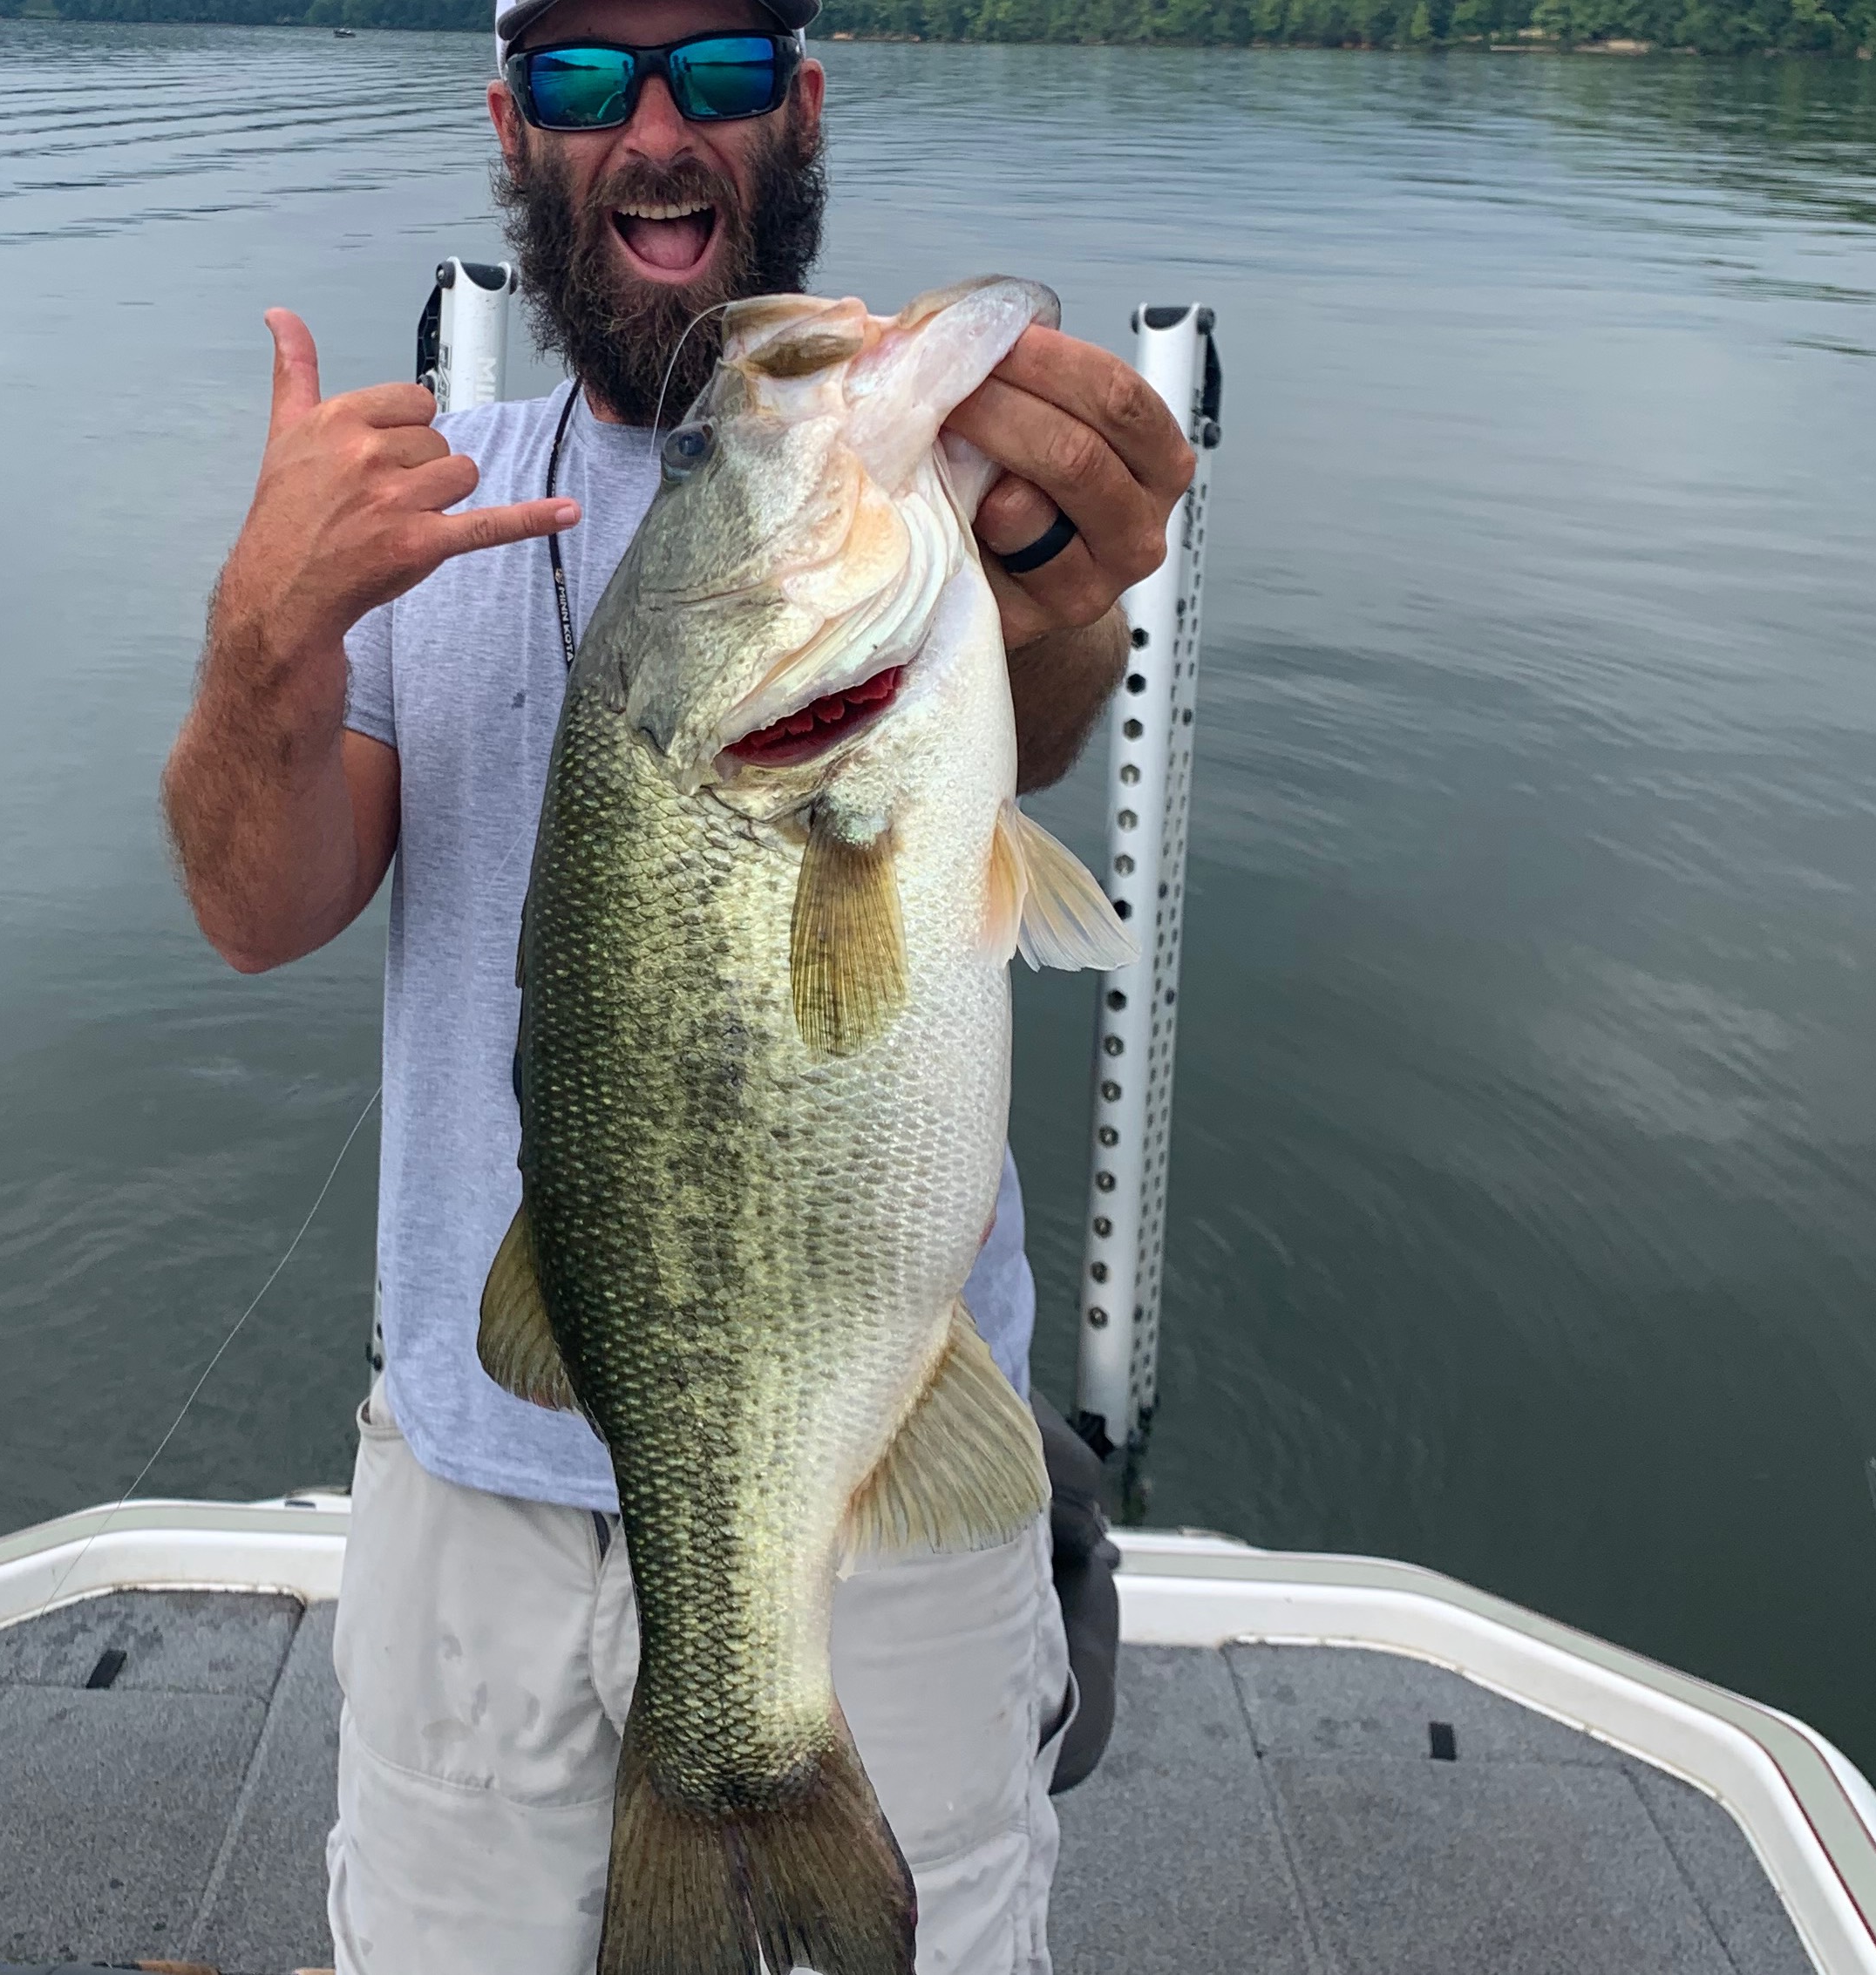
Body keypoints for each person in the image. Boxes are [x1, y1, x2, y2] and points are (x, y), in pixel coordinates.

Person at [161, 0, 1193, 1964]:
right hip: (478, 1479)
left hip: (894, 1435)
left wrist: (1069, 595)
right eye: (581, 77)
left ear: (797, 109)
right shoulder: (412, 514)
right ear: (511, 126)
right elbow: (251, 907)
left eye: (716, 71)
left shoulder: (926, 507)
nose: (655, 129)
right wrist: (257, 641)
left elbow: (1026, 741)